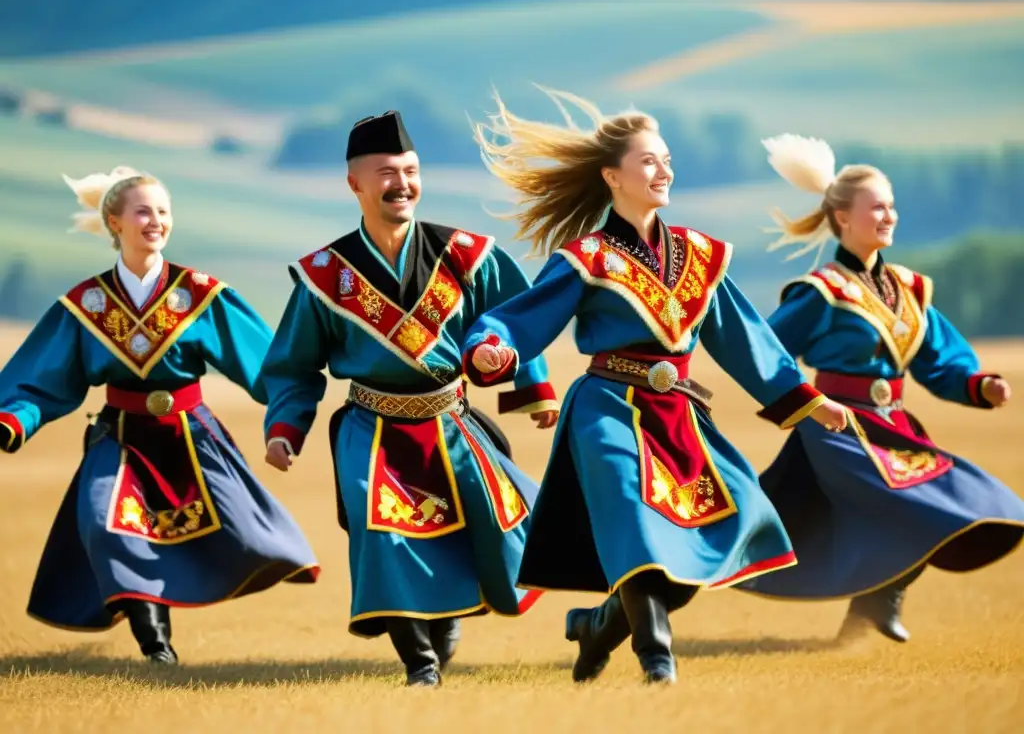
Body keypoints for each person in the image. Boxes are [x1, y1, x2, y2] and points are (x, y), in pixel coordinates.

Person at [459, 87, 849, 685]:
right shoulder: (585, 257)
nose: (663, 169)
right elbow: (522, 318)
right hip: (606, 411)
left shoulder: (700, 255)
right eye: (648, 160)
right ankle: (657, 662)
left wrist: (805, 399)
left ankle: (597, 626)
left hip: (681, 416)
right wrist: (494, 346)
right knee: (637, 532)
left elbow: (743, 338)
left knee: (699, 553)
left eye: (666, 159)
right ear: (611, 176)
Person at [258, 110, 559, 687]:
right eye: (386, 172)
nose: (402, 182)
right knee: (385, 530)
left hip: (452, 417)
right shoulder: (325, 276)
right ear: (355, 184)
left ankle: (446, 626)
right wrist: (284, 427)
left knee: (492, 525)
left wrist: (530, 384)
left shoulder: (469, 254)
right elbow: (294, 365)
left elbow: (517, 319)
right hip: (371, 429)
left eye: (411, 170)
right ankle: (418, 663)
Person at [0, 167, 320, 664]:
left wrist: (285, 418)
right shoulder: (86, 304)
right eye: (143, 211)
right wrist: (13, 416)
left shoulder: (201, 295)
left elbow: (267, 364)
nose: (156, 221)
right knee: (109, 526)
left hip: (191, 436)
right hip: (119, 439)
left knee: (242, 530)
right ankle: (157, 645)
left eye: (164, 211)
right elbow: (42, 376)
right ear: (114, 222)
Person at [731, 134, 1024, 642]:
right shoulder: (821, 292)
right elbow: (765, 349)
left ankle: (876, 603)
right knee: (915, 509)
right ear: (843, 218)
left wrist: (978, 385)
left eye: (891, 207)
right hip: (838, 431)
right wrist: (803, 402)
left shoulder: (910, 291)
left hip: (893, 427)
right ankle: (644, 599)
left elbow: (940, 360)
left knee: (952, 505)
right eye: (876, 208)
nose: (888, 217)